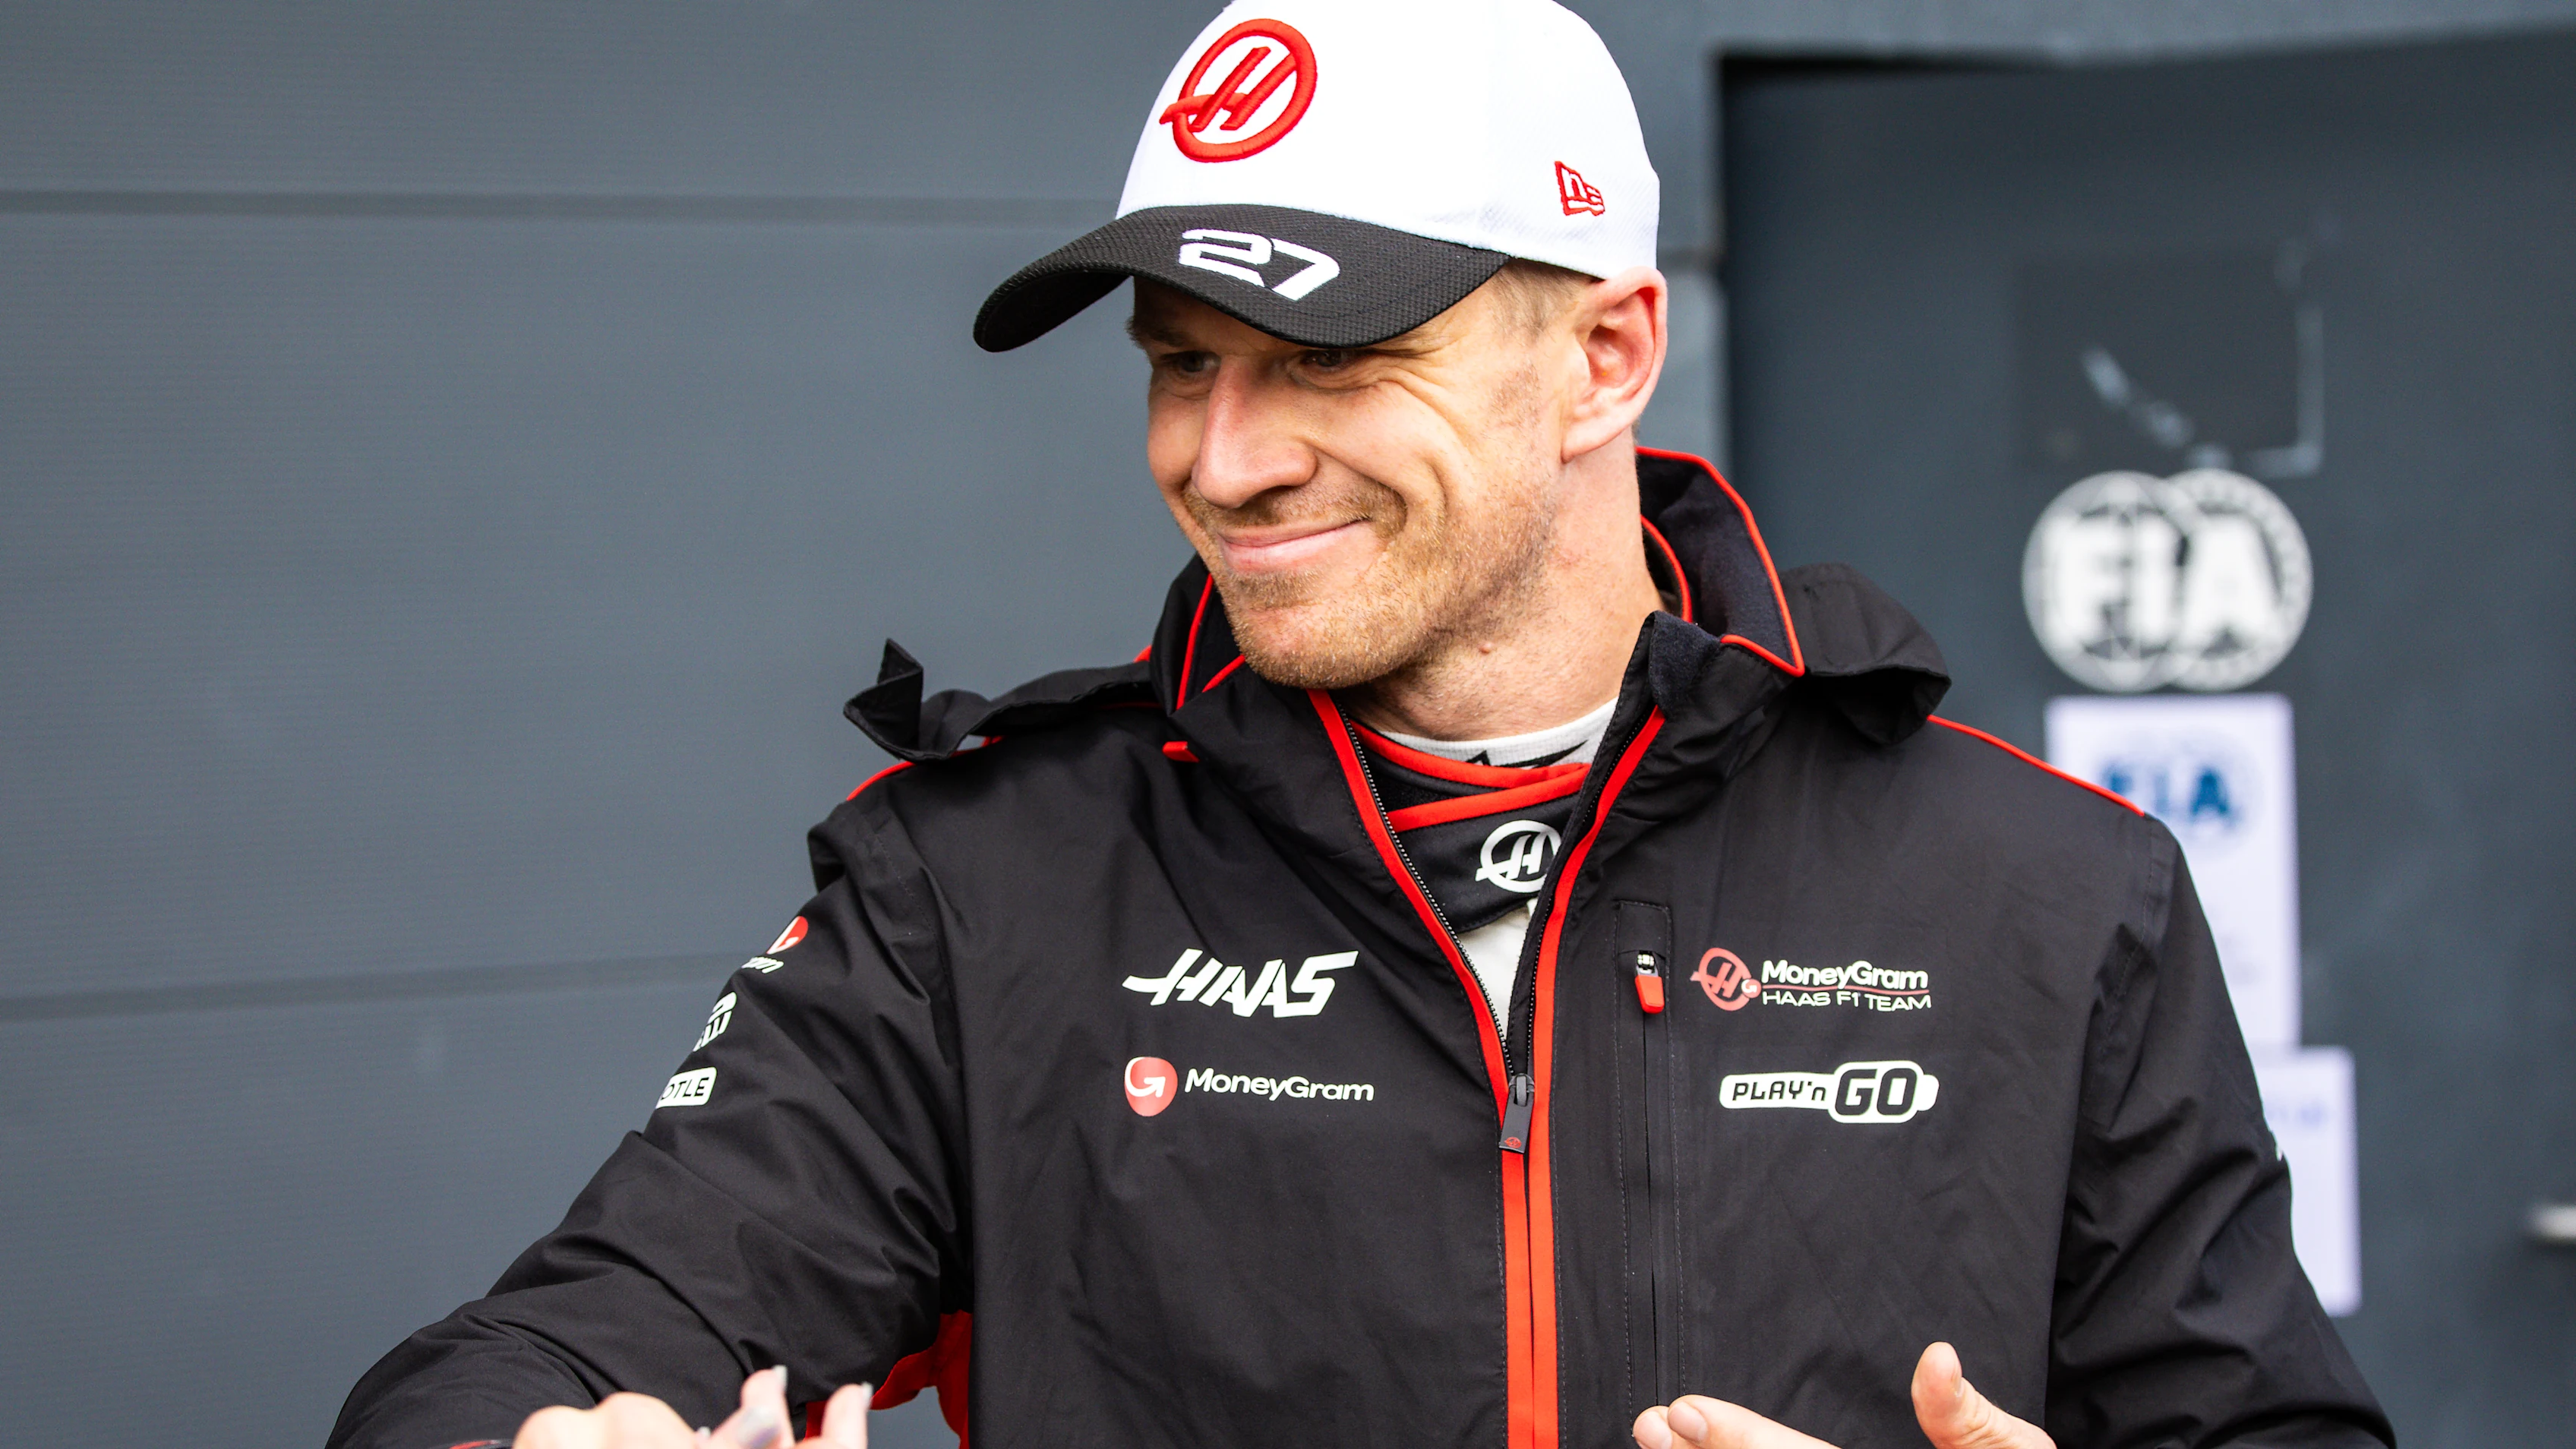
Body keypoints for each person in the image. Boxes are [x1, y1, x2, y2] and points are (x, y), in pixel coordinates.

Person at [329, 3, 2393, 1447]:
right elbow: (549, 1341)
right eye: (1182, 360)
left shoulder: (2049, 894)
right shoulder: (981, 889)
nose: (1222, 459)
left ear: (1605, 353)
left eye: (1327, 355)